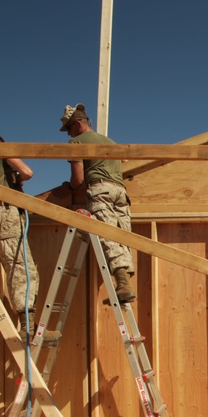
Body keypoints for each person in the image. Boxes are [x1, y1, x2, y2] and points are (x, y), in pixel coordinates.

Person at [59, 104, 136, 303]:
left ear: (77, 124)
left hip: (100, 190)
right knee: (122, 236)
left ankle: (122, 282)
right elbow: (125, 159)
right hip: (120, 192)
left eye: (68, 129)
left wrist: (67, 188)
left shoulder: (76, 142)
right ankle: (124, 284)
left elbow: (78, 180)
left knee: (108, 235)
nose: (68, 134)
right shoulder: (110, 141)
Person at [0, 134, 40, 340]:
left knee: (24, 268)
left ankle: (29, 322)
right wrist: (17, 177)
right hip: (6, 214)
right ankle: (27, 326)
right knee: (20, 268)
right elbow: (28, 172)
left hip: (5, 214)